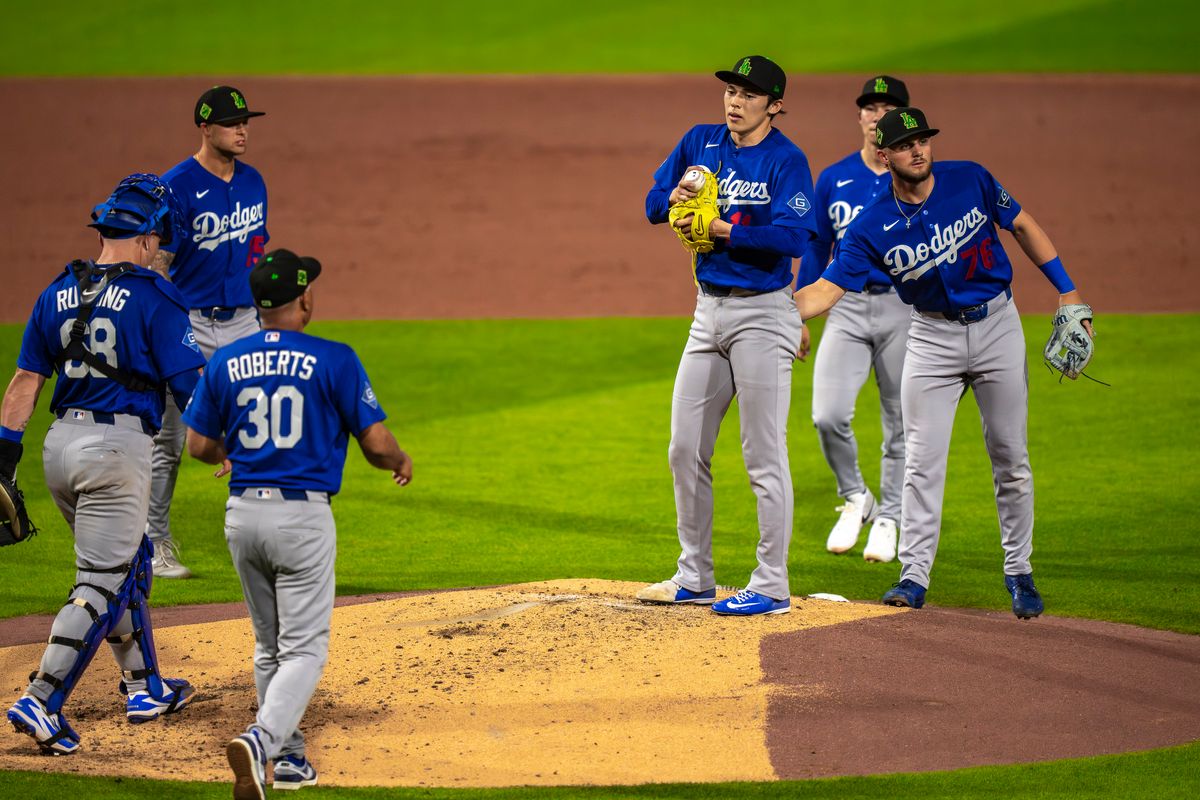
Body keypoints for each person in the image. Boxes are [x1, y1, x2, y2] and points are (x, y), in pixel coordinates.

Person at [792, 107, 1094, 618]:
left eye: (924, 140)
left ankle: (1019, 572)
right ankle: (913, 575)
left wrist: (1068, 291)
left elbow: (1020, 224)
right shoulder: (870, 227)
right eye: (906, 144)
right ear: (884, 155)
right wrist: (770, 311)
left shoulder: (970, 179)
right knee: (922, 464)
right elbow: (826, 288)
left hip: (998, 326)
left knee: (1011, 459)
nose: (919, 150)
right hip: (930, 338)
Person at [182, 249, 413, 797]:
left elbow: (198, 446)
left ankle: (287, 760)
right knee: (306, 648)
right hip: (302, 518)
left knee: (269, 646)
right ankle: (262, 740)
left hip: (242, 515)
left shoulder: (225, 361)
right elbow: (375, 444)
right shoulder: (333, 358)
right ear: (305, 299)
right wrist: (399, 460)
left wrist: (230, 454)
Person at [2, 173, 203, 754]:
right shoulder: (154, 296)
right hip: (116, 453)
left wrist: (1, 463)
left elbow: (24, 382)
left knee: (126, 565)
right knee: (100, 581)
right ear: (145, 239)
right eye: (159, 240)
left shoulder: (57, 290)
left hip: (57, 449)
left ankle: (146, 686)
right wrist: (229, 444)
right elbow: (190, 388)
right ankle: (41, 700)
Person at [636, 56, 816, 616]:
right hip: (706, 312)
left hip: (764, 314)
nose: (735, 101)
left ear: (775, 104)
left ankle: (771, 584)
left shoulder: (787, 160)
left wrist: (720, 228)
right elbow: (650, 206)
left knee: (763, 454)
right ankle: (694, 576)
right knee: (684, 447)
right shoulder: (700, 142)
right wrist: (675, 204)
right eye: (731, 91)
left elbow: (793, 239)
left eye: (749, 93)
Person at [146, 85, 270, 579]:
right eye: (232, 122)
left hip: (243, 322)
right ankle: (155, 544)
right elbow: (158, 265)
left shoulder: (255, 181)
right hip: (192, 324)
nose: (243, 130)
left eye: (246, 121)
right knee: (171, 440)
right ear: (205, 127)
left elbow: (257, 253)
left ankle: (259, 541)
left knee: (255, 431)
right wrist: (161, 327)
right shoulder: (174, 185)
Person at [797, 76, 912, 563]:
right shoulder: (835, 177)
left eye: (887, 108)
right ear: (861, 118)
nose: (875, 115)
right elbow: (817, 246)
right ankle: (855, 496)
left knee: (901, 421)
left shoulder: (915, 178)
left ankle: (890, 515)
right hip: (844, 307)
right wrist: (799, 311)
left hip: (902, 308)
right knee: (827, 414)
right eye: (869, 108)